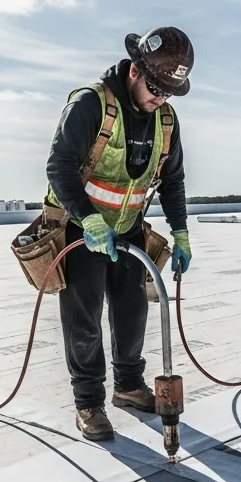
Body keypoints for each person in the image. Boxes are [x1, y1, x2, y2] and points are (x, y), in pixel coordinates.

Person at [41, 26, 195, 441]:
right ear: (134, 71)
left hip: (127, 230)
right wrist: (89, 221)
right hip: (81, 230)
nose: (159, 98)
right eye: (155, 88)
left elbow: (172, 180)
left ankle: (128, 387)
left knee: (133, 314)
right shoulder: (91, 104)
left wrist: (180, 233)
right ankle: (88, 402)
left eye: (168, 92)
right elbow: (59, 168)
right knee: (84, 323)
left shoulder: (165, 117)